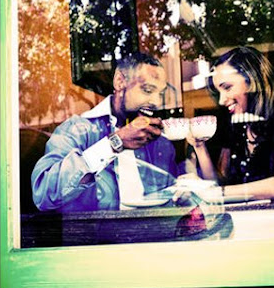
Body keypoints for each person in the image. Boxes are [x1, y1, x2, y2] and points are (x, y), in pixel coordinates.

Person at [31, 52, 179, 212]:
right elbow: (44, 195)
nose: (157, 102)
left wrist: (182, 191)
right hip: (96, 236)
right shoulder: (78, 130)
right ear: (120, 81)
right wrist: (114, 143)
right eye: (148, 90)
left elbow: (169, 199)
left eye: (161, 94)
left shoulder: (161, 144)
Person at [188, 46, 274, 200]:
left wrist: (214, 193)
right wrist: (199, 147)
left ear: (252, 81)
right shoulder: (237, 125)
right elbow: (221, 186)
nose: (221, 100)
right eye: (219, 91)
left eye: (227, 87)